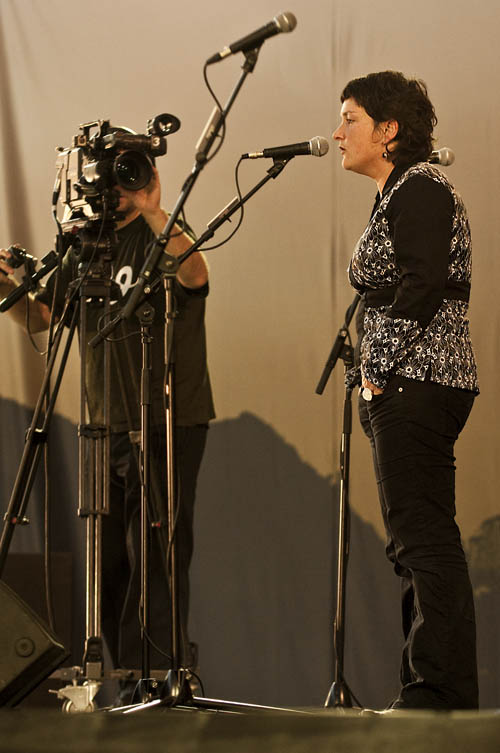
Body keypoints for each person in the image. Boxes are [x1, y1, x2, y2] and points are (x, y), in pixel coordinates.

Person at [0, 137, 215, 696]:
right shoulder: (85, 247)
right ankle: (128, 683)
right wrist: (9, 288)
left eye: (128, 173)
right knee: (112, 563)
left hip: (168, 419)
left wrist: (154, 209)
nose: (118, 186)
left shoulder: (161, 233)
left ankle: (162, 680)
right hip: (103, 422)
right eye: (109, 175)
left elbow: (195, 277)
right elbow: (44, 316)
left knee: (157, 558)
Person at [332, 71, 479, 711]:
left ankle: (437, 696)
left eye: (351, 119)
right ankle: (429, 692)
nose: (338, 133)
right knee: (413, 542)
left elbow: (423, 283)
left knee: (423, 538)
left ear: (388, 129)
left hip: (418, 381)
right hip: (411, 381)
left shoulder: (420, 187)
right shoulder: (399, 191)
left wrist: (378, 368)